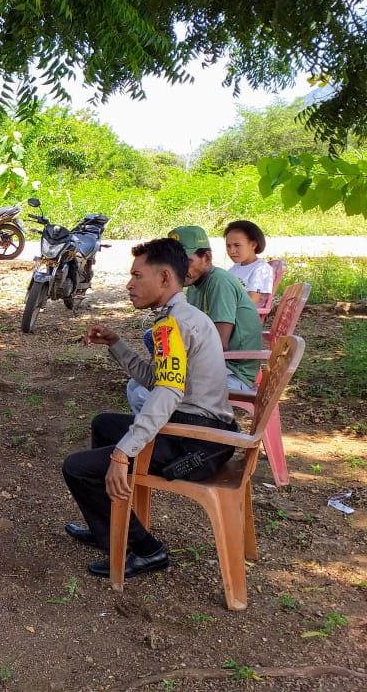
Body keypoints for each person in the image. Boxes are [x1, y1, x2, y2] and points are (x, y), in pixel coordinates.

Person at [62, 238, 238, 579]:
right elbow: (158, 381)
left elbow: (167, 394)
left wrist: (123, 453)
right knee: (104, 424)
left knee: (77, 468)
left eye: (136, 276)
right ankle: (110, 532)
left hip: (195, 446)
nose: (129, 284)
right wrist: (116, 345)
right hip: (202, 435)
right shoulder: (177, 317)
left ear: (165, 278)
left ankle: (148, 551)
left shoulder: (173, 325)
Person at [127, 225, 260, 413]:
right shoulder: (194, 285)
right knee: (135, 385)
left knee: (145, 396)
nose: (181, 270)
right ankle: (159, 438)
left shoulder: (219, 282)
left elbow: (219, 343)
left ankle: (172, 438)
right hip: (212, 366)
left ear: (206, 257)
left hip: (231, 372)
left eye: (187, 262)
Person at [224, 220, 273, 307]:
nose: (231, 251)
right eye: (228, 246)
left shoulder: (261, 269)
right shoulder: (235, 268)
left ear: (253, 244)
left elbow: (251, 302)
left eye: (237, 245)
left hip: (243, 317)